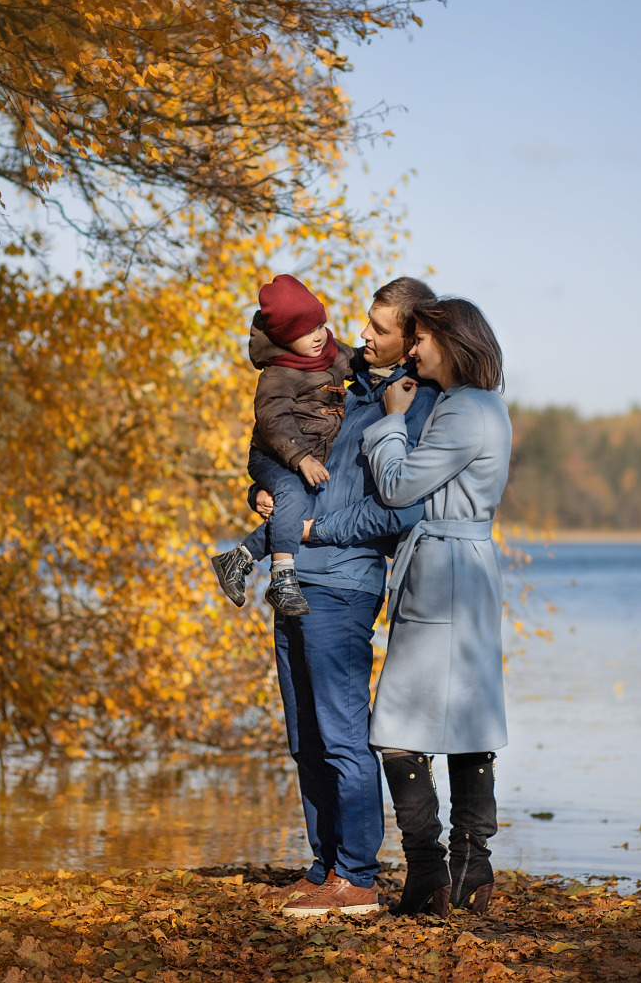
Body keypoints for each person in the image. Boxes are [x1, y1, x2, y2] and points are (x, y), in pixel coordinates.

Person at [247, 277, 440, 917]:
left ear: (413, 339)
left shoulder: (411, 406)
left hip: (345, 583)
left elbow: (398, 513)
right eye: (366, 323)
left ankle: (357, 878)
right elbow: (278, 434)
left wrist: (313, 528)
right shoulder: (348, 380)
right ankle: (324, 864)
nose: (363, 336)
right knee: (304, 736)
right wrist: (264, 492)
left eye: (379, 329)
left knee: (340, 736)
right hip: (296, 579)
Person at [359, 297, 512, 917]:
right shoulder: (485, 406)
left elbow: (398, 487)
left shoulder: (463, 412)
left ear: (450, 343)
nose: (413, 349)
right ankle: (470, 872)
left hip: (446, 570)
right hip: (464, 569)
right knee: (469, 721)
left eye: (420, 339)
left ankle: (430, 870)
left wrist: (392, 419)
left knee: (395, 727)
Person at [210, 274, 354, 616]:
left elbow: (361, 362)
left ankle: (239, 558)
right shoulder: (278, 373)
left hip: (300, 459)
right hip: (272, 455)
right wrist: (302, 457)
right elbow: (273, 419)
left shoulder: (332, 353)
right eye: (305, 333)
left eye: (320, 324)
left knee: (293, 508)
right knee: (291, 492)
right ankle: (282, 579)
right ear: (286, 339)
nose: (318, 336)